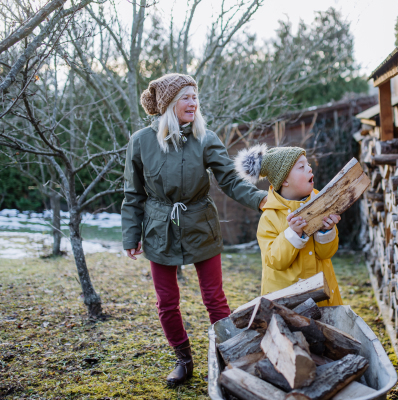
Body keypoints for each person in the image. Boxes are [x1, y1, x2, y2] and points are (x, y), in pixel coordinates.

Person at [121, 73, 267, 386]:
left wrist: (260, 200)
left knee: (214, 298)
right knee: (166, 302)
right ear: (168, 103)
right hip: (159, 227)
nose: (193, 102)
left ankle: (232, 357)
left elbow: (229, 180)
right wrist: (131, 235)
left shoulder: (206, 138)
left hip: (200, 223)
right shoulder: (141, 141)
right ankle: (184, 360)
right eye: (185, 96)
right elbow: (133, 194)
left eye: (194, 96)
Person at [234, 144, 343, 306]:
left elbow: (326, 254)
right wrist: (293, 235)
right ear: (284, 180)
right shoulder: (270, 217)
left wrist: (326, 231)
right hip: (288, 302)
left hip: (323, 297)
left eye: (309, 165)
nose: (309, 169)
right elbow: (275, 260)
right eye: (301, 167)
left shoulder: (320, 203)